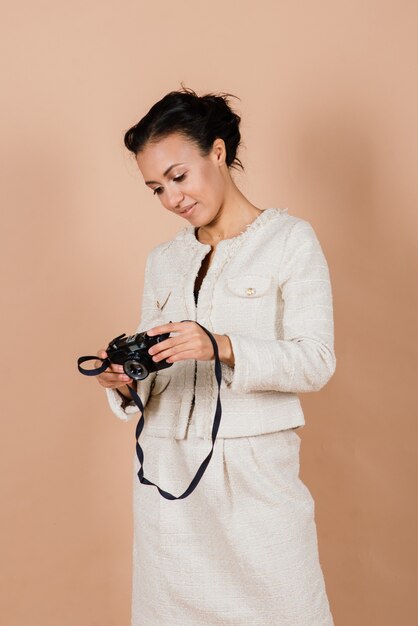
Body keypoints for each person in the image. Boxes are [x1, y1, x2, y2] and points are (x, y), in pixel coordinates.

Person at [94, 87, 336, 626]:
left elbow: (316, 360)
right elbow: (154, 377)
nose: (171, 198)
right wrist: (126, 382)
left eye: (179, 176)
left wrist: (221, 346)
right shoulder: (164, 260)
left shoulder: (291, 241)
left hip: (254, 474)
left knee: (288, 610)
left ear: (219, 153)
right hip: (168, 478)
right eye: (156, 188)